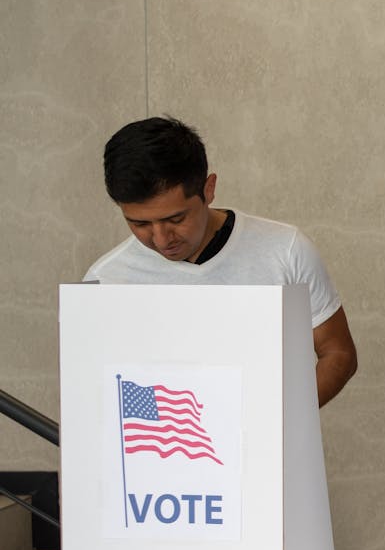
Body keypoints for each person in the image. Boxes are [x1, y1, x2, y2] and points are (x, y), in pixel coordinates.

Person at [85, 117, 358, 407]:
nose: (162, 239)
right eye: (139, 224)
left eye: (176, 219)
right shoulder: (104, 281)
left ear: (209, 188)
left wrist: (279, 422)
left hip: (270, 446)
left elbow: (338, 353)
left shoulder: (285, 249)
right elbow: (92, 392)